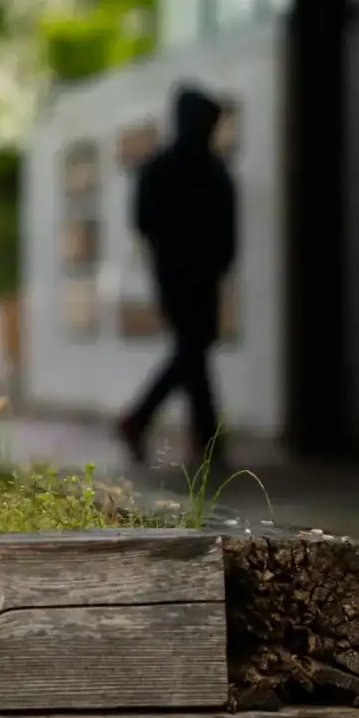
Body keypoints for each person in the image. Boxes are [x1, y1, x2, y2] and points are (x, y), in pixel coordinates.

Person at [116, 83, 237, 469]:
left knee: (193, 353)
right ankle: (201, 437)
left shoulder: (196, 170)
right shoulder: (175, 169)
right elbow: (145, 222)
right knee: (193, 351)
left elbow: (226, 229)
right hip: (180, 276)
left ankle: (144, 422)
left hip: (195, 275)